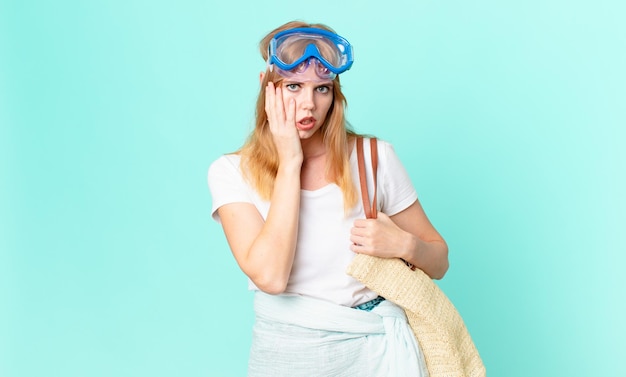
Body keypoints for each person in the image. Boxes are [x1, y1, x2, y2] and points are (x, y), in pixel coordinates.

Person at [208, 20, 449, 377]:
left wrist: (404, 244)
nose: (309, 105)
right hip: (286, 355)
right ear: (266, 87)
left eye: (322, 89)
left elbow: (440, 261)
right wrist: (291, 162)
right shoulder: (231, 172)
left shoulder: (373, 158)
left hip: (377, 354)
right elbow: (271, 278)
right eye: (293, 86)